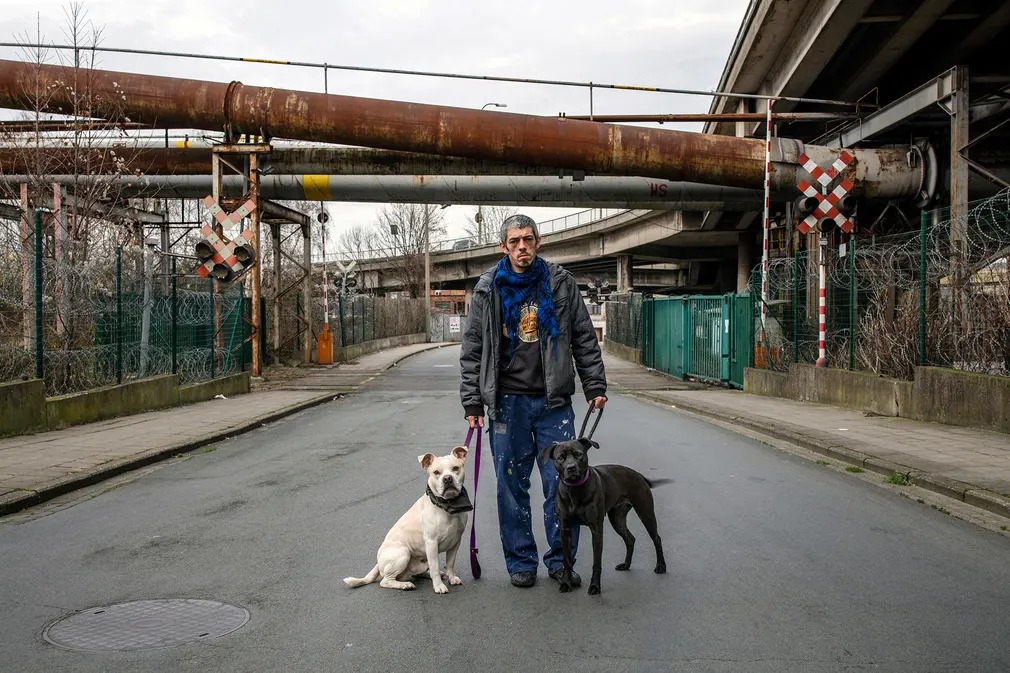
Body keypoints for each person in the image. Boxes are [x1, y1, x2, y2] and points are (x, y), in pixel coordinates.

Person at [459, 213, 607, 588]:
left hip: (553, 402)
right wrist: (473, 402)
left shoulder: (560, 282)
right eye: (514, 241)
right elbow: (473, 348)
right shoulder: (488, 288)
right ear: (503, 247)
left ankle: (561, 561)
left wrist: (595, 385)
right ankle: (521, 562)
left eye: (528, 239)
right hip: (506, 403)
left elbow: (583, 336)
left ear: (538, 242)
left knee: (562, 485)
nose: (522, 246)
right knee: (511, 486)